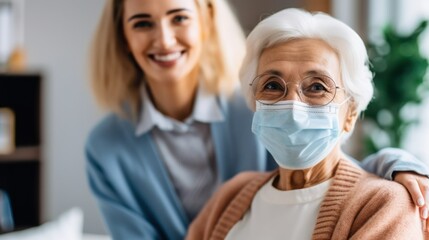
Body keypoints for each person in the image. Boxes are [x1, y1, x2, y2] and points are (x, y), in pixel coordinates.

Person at [85, 0, 429, 239]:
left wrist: (393, 164)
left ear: (205, 20)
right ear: (123, 37)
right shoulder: (107, 145)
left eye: (179, 17)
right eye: (273, 86)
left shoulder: (238, 107)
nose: (163, 38)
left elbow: (322, 175)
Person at [186, 8, 428, 240]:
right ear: (254, 103)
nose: (292, 106)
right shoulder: (232, 195)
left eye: (317, 87)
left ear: (351, 113)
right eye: (272, 85)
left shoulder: (383, 205)